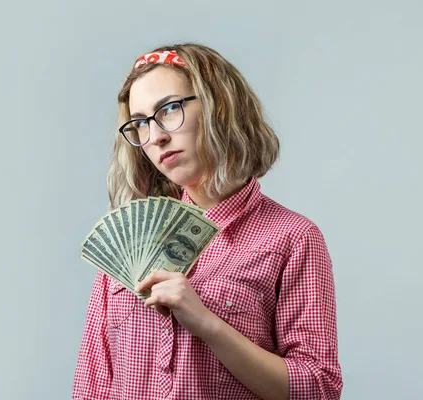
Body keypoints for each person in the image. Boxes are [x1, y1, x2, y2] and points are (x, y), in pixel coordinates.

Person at [72, 43, 343, 400]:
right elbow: (92, 386)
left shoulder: (292, 238)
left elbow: (318, 388)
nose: (156, 137)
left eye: (169, 109)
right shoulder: (126, 244)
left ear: (219, 107)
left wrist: (208, 324)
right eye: (140, 124)